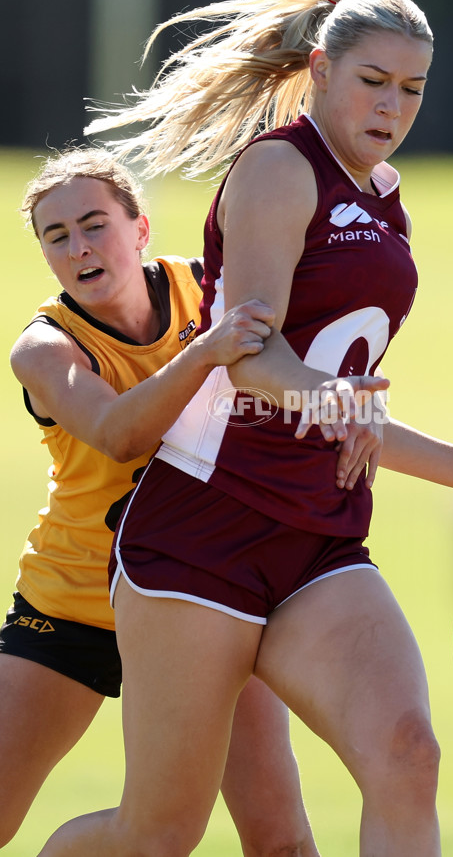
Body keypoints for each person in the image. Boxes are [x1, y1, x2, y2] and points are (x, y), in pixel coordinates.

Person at [39, 0, 453, 856]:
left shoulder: (383, 197)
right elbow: (250, 351)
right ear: (321, 70)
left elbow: (351, 412)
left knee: (407, 756)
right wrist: (330, 400)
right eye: (373, 80)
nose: (392, 105)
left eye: (412, 89)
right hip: (203, 533)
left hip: (319, 538)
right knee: (157, 834)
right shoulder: (277, 169)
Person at [2, 147, 322, 856]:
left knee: (281, 839)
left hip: (203, 597)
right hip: (76, 603)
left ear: (140, 229)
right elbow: (118, 435)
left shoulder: (208, 290)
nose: (80, 246)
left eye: (94, 224)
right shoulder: (44, 349)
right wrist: (204, 352)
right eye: (58, 236)